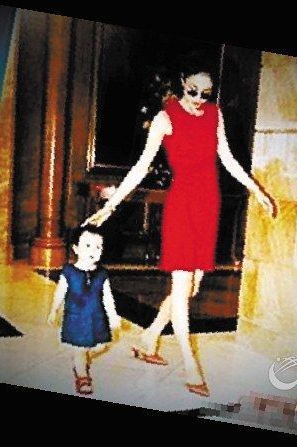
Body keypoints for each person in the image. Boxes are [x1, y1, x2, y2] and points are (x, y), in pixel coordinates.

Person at [82, 66, 277, 397]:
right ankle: (189, 365)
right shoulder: (165, 118)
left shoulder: (214, 115)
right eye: (193, 91)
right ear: (182, 83)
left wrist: (256, 190)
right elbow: (141, 167)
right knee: (182, 283)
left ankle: (148, 339)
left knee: (191, 288)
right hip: (182, 206)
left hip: (209, 205)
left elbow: (228, 159)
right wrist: (112, 205)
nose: (199, 99)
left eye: (206, 94)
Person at [47, 225, 122, 395]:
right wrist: (54, 310)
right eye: (88, 245)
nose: (93, 250)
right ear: (76, 248)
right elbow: (60, 293)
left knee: (102, 346)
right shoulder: (69, 272)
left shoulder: (102, 274)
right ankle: (82, 376)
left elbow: (107, 297)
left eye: (98, 247)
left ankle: (82, 359)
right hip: (76, 318)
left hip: (96, 318)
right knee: (80, 348)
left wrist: (113, 315)